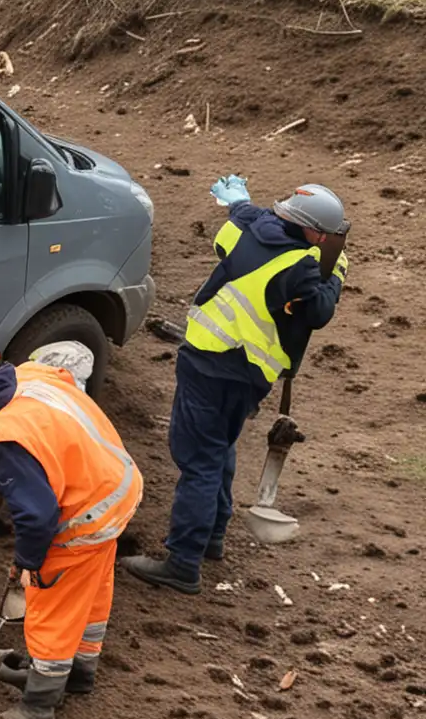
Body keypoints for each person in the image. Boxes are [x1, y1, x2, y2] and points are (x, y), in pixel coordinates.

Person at [124, 179, 349, 595]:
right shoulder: (301, 266)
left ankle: (183, 562)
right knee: (218, 449)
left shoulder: (243, 230)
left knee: (199, 461)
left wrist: (242, 201)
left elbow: (244, 218)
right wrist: (334, 271)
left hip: (208, 362)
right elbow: (318, 310)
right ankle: (210, 539)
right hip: (248, 376)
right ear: (316, 234)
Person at [0, 342, 142, 719]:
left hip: (86, 514)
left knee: (50, 604)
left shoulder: (7, 440)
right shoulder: (28, 377)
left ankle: (40, 702)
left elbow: (38, 517)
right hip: (115, 485)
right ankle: (79, 674)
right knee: (91, 593)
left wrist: (28, 565)